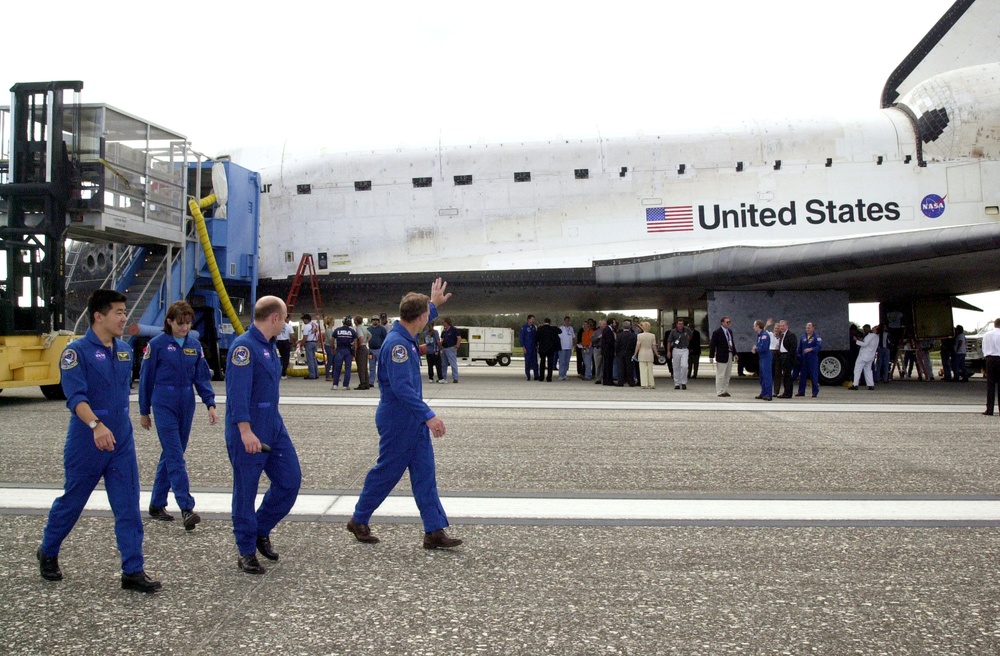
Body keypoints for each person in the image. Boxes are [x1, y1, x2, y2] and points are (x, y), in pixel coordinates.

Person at [36, 289, 161, 592]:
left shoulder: (124, 350)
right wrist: (95, 424)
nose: (124, 317)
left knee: (128, 506)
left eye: (124, 311)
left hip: (120, 442)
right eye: (118, 312)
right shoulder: (75, 352)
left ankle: (133, 570)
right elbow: (75, 396)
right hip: (87, 440)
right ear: (98, 316)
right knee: (72, 502)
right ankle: (48, 550)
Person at [347, 278, 462, 549]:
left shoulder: (405, 336)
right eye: (427, 315)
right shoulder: (398, 345)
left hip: (411, 418)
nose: (428, 320)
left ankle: (434, 531)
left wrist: (433, 304)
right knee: (387, 472)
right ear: (420, 317)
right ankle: (359, 519)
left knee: (425, 473)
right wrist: (429, 415)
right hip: (399, 418)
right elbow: (402, 388)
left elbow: (420, 318)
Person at [225, 296, 302, 574]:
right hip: (248, 429)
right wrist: (245, 431)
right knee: (245, 491)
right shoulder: (244, 348)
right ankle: (245, 551)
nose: (286, 323)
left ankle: (260, 529)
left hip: (273, 426)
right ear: (274, 318)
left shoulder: (269, 347)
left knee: (290, 480)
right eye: (284, 318)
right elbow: (236, 395)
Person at [139, 300, 218, 531]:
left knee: (173, 453)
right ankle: (186, 507)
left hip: (186, 401)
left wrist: (210, 403)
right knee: (175, 455)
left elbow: (201, 377)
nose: (184, 327)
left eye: (187, 323)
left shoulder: (195, 345)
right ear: (169, 322)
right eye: (180, 323)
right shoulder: (157, 345)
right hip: (163, 401)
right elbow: (146, 380)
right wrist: (144, 411)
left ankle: (156, 503)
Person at [709, 316, 737, 397]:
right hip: (721, 355)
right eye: (727, 322)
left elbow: (732, 343)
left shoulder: (730, 332)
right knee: (721, 374)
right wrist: (711, 356)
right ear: (722, 322)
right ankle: (719, 391)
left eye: (729, 322)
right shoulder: (717, 332)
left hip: (729, 353)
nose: (728, 323)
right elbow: (713, 345)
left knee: (727, 374)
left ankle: (725, 390)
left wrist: (735, 353)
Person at [797, 322, 823, 397]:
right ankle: (801, 391)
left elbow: (819, 347)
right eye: (806, 328)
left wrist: (811, 349)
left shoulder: (816, 337)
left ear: (813, 328)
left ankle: (815, 392)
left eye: (809, 327)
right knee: (802, 376)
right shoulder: (803, 337)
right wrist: (798, 356)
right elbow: (800, 348)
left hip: (812, 359)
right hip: (804, 359)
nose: (807, 329)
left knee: (813, 376)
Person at [331, 316, 358, 390]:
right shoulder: (352, 331)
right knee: (348, 368)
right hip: (348, 351)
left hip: (339, 350)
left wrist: (333, 348)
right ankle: (345, 385)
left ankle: (335, 385)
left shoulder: (337, 330)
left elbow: (332, 339)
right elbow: (355, 343)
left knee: (337, 368)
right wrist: (355, 353)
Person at [849, 324, 878, 390]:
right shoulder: (876, 337)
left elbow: (864, 344)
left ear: (867, 329)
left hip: (863, 356)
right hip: (871, 356)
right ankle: (870, 384)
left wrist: (856, 340)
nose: (864, 331)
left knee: (857, 370)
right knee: (868, 370)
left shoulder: (869, 336)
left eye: (864, 329)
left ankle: (855, 384)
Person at [666, 319, 693, 390]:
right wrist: (668, 351)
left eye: (682, 324)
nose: (680, 325)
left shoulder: (687, 330)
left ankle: (684, 382)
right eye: (679, 324)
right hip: (676, 349)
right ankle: (677, 383)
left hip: (684, 349)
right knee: (676, 366)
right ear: (676, 325)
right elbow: (669, 341)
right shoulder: (673, 331)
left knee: (684, 366)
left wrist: (687, 341)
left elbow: (690, 336)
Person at [752, 319, 773, 400]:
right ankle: (763, 392)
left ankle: (768, 394)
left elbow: (764, 347)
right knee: (762, 376)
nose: (753, 327)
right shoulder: (760, 335)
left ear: (757, 326)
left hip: (766, 357)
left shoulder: (764, 335)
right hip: (762, 357)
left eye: (754, 326)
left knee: (767, 376)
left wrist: (756, 349)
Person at [633, 321, 659, 389]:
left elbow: (638, 346)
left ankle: (644, 383)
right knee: (650, 369)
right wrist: (657, 354)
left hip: (642, 353)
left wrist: (635, 354)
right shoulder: (652, 335)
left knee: (643, 369)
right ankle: (651, 383)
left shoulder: (639, 335)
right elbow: (654, 346)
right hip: (649, 352)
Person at [775, 320, 797, 398]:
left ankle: (788, 393)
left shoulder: (791, 335)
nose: (781, 327)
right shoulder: (782, 335)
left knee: (787, 376)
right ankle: (785, 392)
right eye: (780, 326)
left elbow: (793, 348)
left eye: (783, 326)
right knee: (784, 376)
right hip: (782, 356)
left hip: (787, 357)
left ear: (787, 326)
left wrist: (789, 358)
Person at [983, 318, 1000, 416]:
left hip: (990, 359)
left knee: (990, 385)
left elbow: (984, 348)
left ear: (994, 324)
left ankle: (989, 409)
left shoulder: (987, 335)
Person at [537, 317, 560, 382]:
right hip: (551, 348)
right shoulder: (553, 329)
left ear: (544, 322)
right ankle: (549, 378)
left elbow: (537, 338)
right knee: (550, 363)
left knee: (542, 362)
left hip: (543, 348)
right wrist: (554, 326)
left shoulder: (541, 329)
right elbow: (560, 331)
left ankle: (541, 377)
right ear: (550, 322)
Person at [614, 320, 637, 386]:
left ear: (623, 327)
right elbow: (634, 344)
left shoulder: (619, 335)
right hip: (630, 353)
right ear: (630, 327)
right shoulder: (633, 335)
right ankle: (631, 382)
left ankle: (621, 382)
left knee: (621, 368)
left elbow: (617, 345)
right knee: (630, 368)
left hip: (621, 353)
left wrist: (617, 352)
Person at [298, 313, 320, 379]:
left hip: (309, 343)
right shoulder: (315, 324)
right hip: (315, 342)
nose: (303, 321)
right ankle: (316, 374)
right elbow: (318, 323)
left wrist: (302, 344)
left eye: (304, 320)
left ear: (306, 319)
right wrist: (318, 319)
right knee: (314, 359)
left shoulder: (307, 326)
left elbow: (305, 336)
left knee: (309, 359)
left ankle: (311, 374)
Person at [368, 314, 388, 386]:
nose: (375, 321)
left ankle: (381, 381)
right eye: (374, 320)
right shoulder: (369, 329)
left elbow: (386, 338)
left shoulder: (382, 329)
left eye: (376, 320)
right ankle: (371, 382)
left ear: (378, 321)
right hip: (371, 351)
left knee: (381, 366)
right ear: (371, 321)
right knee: (371, 367)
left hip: (379, 350)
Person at [440, 317, 461, 383]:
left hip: (451, 348)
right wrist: (440, 347)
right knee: (444, 364)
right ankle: (443, 377)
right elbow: (442, 339)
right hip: (444, 348)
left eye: (443, 322)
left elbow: (459, 338)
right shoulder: (444, 331)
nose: (443, 324)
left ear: (447, 323)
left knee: (453, 363)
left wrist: (457, 346)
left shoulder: (454, 330)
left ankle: (455, 377)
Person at [354, 315, 372, 390]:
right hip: (365, 347)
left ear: (356, 321)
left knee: (360, 367)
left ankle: (362, 384)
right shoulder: (364, 327)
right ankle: (366, 383)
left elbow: (360, 337)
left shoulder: (358, 328)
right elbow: (370, 335)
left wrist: (358, 344)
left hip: (361, 348)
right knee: (364, 367)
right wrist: (366, 341)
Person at [520, 315, 539, 381]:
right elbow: (522, 338)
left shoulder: (534, 327)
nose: (533, 320)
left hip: (534, 347)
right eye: (532, 319)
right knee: (527, 362)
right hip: (527, 347)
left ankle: (536, 375)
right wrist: (523, 347)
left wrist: (537, 345)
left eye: (534, 319)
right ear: (528, 319)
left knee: (535, 362)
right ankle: (528, 375)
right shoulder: (524, 327)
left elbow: (536, 337)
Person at [558, 316, 575, 380]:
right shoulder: (561, 328)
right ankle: (561, 374)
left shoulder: (571, 328)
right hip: (562, 347)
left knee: (567, 362)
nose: (567, 322)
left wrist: (573, 345)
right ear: (564, 321)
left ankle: (564, 374)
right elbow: (558, 338)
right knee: (562, 361)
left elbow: (573, 337)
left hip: (569, 347)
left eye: (568, 320)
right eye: (566, 320)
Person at [600, 319, 616, 386]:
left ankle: (607, 380)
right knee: (608, 366)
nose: (615, 324)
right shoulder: (608, 330)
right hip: (608, 351)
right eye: (614, 323)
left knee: (608, 366)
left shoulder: (607, 330)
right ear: (611, 323)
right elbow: (609, 341)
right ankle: (608, 380)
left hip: (607, 351)